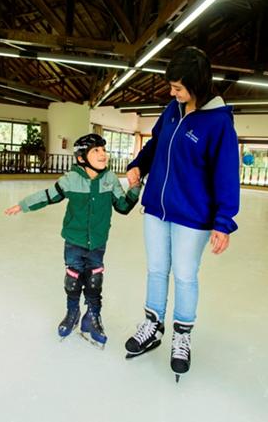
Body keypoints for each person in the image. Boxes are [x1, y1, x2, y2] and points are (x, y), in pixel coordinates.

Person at [124, 46, 240, 380]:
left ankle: (182, 336)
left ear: (199, 84)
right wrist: (137, 167)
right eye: (171, 87)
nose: (172, 93)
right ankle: (152, 324)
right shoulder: (172, 110)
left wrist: (223, 222)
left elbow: (226, 175)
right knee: (157, 270)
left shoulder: (218, 123)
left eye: (178, 87)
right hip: (156, 210)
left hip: (193, 217)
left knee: (185, 276)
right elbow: (154, 145)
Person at [5, 133, 141, 348]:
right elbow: (48, 195)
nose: (102, 154)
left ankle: (93, 317)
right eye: (96, 150)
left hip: (97, 241)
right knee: (73, 279)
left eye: (103, 150)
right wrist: (23, 205)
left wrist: (135, 188)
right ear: (81, 158)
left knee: (95, 281)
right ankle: (72, 313)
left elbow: (123, 207)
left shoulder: (110, 179)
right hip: (74, 240)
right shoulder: (71, 179)